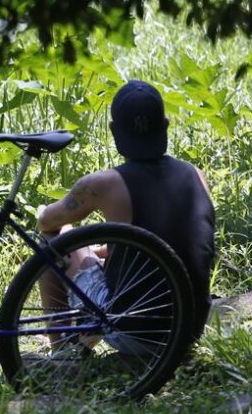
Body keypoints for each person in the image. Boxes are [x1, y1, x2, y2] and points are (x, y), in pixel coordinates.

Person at [34, 79, 217, 347]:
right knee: (94, 251)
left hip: (133, 334)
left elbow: (45, 221)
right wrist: (108, 250)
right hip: (188, 331)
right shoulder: (196, 176)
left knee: (57, 237)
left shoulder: (104, 184)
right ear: (165, 126)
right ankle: (76, 345)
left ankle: (61, 350)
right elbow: (173, 239)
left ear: (112, 130)